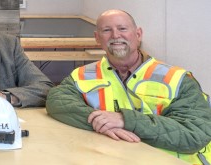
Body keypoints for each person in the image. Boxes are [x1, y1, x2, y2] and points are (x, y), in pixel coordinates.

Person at [46, 10, 211, 163]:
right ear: (97, 38)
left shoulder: (177, 79)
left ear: (138, 34)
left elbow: (194, 134)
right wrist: (103, 123)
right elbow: (57, 101)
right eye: (106, 30)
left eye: (122, 28)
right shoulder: (82, 74)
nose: (115, 35)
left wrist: (125, 120)